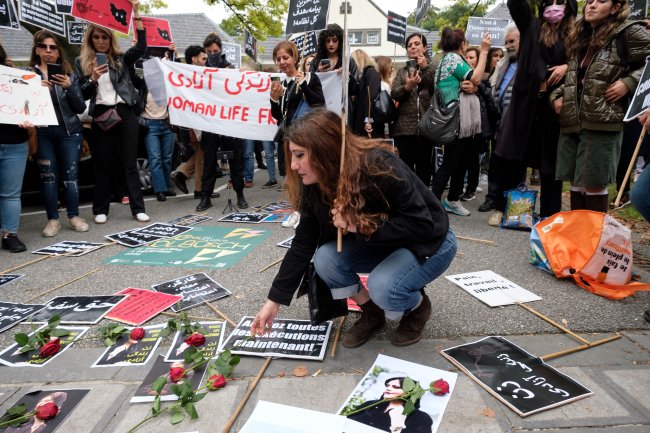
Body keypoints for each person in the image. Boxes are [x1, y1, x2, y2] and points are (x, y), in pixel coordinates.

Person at [251, 109, 456, 348]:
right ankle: (372, 313)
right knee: (326, 259)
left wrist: (358, 224)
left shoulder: (378, 164)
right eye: (292, 156)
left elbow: (421, 225)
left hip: (430, 242)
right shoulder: (316, 181)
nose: (294, 166)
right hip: (382, 243)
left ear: (324, 150)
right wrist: (273, 301)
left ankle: (418, 307)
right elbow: (303, 243)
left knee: (384, 287)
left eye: (299, 155)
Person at [551, 0, 650, 212]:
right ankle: (579, 238)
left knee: (594, 183)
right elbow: (577, 76)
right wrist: (557, 95)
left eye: (601, 1)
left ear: (615, 8)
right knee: (576, 183)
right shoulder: (581, 35)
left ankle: (594, 240)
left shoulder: (628, 32)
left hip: (603, 119)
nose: (592, 5)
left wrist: (628, 82)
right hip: (573, 119)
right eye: (589, 1)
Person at [75, 0, 150, 224]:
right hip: (100, 116)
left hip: (125, 114)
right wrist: (93, 79)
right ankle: (101, 209)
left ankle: (138, 209)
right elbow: (82, 95)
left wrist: (136, 13)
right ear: (91, 39)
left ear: (110, 39)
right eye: (96, 37)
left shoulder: (121, 59)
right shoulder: (81, 62)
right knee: (103, 164)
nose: (100, 41)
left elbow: (142, 47)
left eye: (105, 37)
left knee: (129, 162)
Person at [28, 30, 88, 237]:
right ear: (36, 50)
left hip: (69, 132)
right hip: (42, 133)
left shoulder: (69, 74)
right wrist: (34, 89)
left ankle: (74, 216)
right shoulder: (27, 76)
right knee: (48, 177)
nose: (48, 51)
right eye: (43, 47)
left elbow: (80, 108)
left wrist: (70, 87)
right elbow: (20, 107)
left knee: (71, 177)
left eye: (53, 47)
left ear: (58, 52)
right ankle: (53, 220)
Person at [430, 29, 491, 217]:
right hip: (456, 120)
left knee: (460, 162)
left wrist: (471, 86)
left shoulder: (446, 60)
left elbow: (470, 82)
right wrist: (485, 51)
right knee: (451, 163)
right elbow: (476, 77)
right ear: (462, 44)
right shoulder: (453, 60)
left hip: (457, 120)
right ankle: (433, 203)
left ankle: (452, 200)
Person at [197, 32, 248, 211]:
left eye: (216, 50)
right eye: (209, 51)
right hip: (210, 122)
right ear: (205, 51)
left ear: (221, 50)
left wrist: (240, 75)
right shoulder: (199, 71)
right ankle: (205, 196)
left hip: (229, 122)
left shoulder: (230, 68)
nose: (213, 54)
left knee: (236, 160)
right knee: (209, 160)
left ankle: (240, 194)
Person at [479, 25, 521, 221]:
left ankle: (514, 209)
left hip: (517, 125)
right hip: (499, 123)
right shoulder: (503, 63)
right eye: (506, 42)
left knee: (514, 167)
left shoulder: (529, 62)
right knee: (496, 165)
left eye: (512, 41)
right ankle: (495, 202)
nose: (508, 46)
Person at [391, 33, 437, 187]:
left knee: (424, 169)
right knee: (406, 170)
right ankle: (410, 203)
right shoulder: (402, 71)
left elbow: (437, 88)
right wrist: (408, 86)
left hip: (426, 128)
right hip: (404, 130)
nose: (413, 47)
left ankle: (424, 202)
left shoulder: (433, 67)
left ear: (424, 47)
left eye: (417, 43)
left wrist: (425, 68)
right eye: (410, 45)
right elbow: (395, 93)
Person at [0, 44, 31, 253]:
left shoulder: (17, 78)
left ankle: (9, 234)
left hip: (15, 142)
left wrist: (29, 117)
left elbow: (30, 107)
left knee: (11, 194)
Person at [140, 43, 177, 202]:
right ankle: (160, 190)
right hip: (150, 125)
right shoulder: (144, 84)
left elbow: (181, 74)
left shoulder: (169, 84)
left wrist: (174, 54)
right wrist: (136, 48)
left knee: (167, 158)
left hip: (167, 125)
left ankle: (167, 186)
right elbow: (127, 68)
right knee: (154, 159)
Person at [309, 23, 359, 123]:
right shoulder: (316, 62)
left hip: (343, 107)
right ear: (323, 42)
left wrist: (348, 76)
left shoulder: (348, 61)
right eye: (328, 41)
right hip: (322, 107)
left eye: (334, 40)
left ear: (340, 41)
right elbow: (310, 87)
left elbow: (356, 89)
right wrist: (319, 73)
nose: (331, 44)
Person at [346, 377, 433, 433]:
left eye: (395, 387)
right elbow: (346, 421)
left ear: (410, 393)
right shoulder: (370, 404)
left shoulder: (421, 417)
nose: (388, 388)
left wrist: (397, 424)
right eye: (388, 385)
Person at [351, 49, 383, 138]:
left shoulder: (370, 72)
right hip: (364, 120)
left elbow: (371, 97)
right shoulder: (364, 75)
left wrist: (367, 119)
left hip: (369, 123)